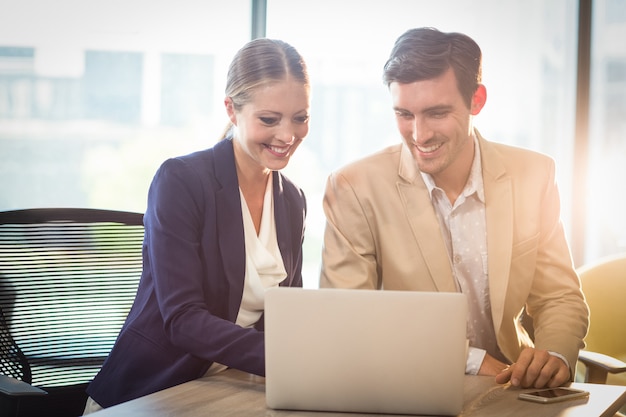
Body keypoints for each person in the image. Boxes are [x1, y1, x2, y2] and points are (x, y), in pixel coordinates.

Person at [319, 27, 589, 389]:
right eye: (404, 114)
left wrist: (554, 354)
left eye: (436, 113)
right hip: (408, 386)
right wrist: (474, 361)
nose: (419, 134)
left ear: (476, 100)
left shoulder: (534, 175)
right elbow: (347, 319)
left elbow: (559, 296)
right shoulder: (354, 187)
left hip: (515, 387)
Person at [84, 37, 310, 412]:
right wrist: (285, 356)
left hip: (234, 384)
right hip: (152, 392)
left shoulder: (292, 201)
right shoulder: (182, 181)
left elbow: (287, 313)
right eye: (269, 119)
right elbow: (183, 320)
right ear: (232, 110)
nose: (288, 136)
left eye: (300, 118)